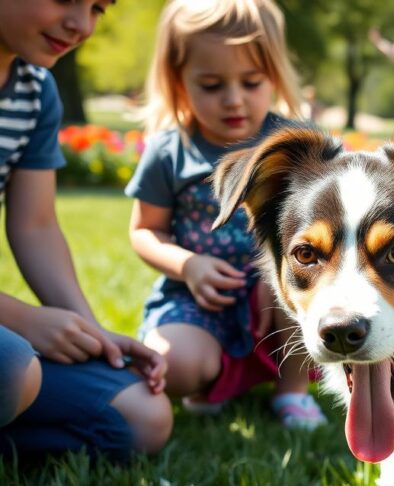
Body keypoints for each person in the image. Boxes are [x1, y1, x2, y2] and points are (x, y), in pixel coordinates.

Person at [127, 0, 326, 430]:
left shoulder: (293, 145)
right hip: (197, 295)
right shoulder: (169, 152)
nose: (233, 99)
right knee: (172, 366)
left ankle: (292, 393)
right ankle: (211, 381)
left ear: (273, 75)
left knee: (286, 283)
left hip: (275, 297)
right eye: (212, 85)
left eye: (251, 82)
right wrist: (189, 265)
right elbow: (145, 230)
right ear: (179, 82)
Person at [0, 0, 172, 462]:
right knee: (13, 368)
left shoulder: (35, 91)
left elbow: (34, 225)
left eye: (97, 7)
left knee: (143, 416)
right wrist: (24, 320)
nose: (81, 24)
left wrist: (92, 333)